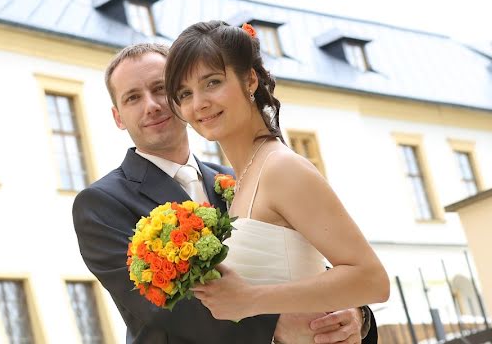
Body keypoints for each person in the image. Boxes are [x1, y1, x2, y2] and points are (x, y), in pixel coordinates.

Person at [72, 42, 377, 343]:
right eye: (133, 98)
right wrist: (275, 325)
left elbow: (289, 257)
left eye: (160, 89)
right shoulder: (100, 204)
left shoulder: (238, 177)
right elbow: (163, 307)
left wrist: (354, 311)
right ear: (118, 117)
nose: (151, 105)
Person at [163, 21, 390, 325]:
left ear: (250, 80)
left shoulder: (282, 169)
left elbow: (372, 280)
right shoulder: (240, 181)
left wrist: (250, 300)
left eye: (212, 83)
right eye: (185, 93)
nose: (199, 103)